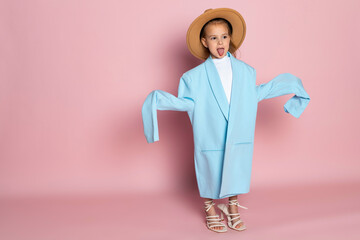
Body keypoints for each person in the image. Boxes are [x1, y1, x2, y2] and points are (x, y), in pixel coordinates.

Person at [141, 8, 310, 233]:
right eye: (213, 37)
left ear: (230, 39)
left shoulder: (246, 72)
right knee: (211, 166)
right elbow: (188, 103)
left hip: (238, 131)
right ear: (204, 41)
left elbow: (255, 93)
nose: (220, 42)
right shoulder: (193, 77)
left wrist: (293, 88)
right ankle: (210, 207)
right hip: (210, 132)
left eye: (224, 36)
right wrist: (157, 101)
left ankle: (232, 207)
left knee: (236, 165)